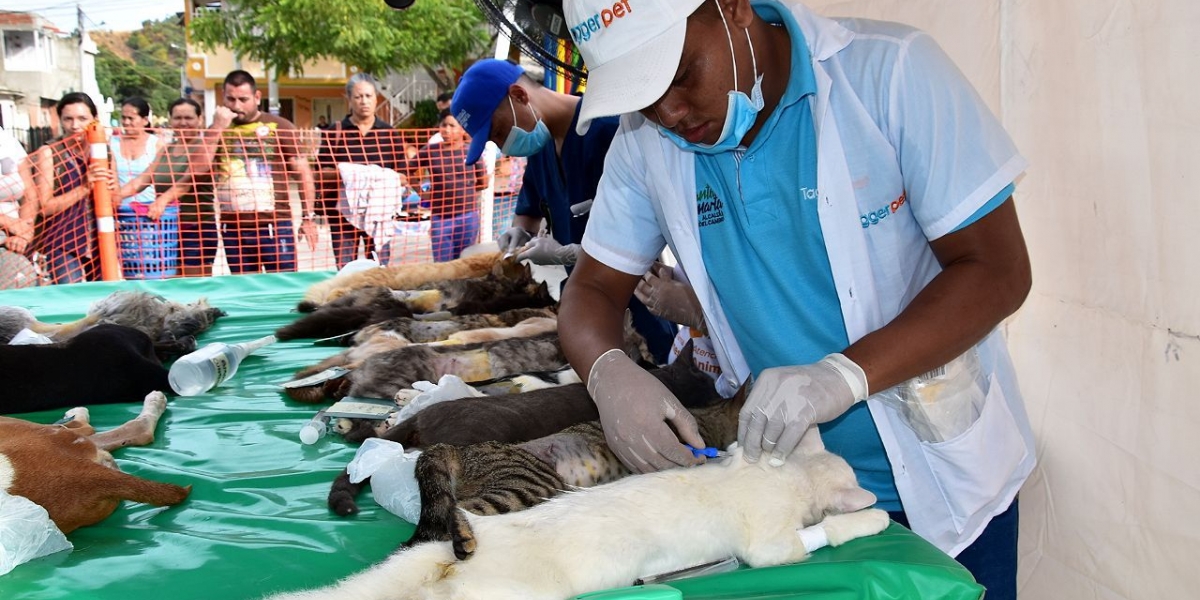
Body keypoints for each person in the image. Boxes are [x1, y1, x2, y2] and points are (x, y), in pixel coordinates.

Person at [556, 1, 1037, 598]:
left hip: (946, 489)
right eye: (642, 97)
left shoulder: (889, 74)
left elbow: (997, 271)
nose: (669, 112)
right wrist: (607, 373)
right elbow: (593, 289)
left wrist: (843, 375)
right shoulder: (643, 142)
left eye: (680, 75)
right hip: (787, 498)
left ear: (732, 7)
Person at [450, 58, 678, 363]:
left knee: (659, 374)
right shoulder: (541, 147)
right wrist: (519, 234)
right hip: (587, 307)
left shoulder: (612, 130)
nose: (504, 147)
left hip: (638, 302)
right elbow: (529, 211)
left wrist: (571, 253)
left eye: (500, 132)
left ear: (519, 95)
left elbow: (649, 237)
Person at [215, 70, 318, 274]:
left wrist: (308, 218)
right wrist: (217, 128)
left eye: (243, 99)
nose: (236, 106)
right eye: (230, 99)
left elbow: (303, 173)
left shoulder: (280, 126)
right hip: (233, 226)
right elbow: (199, 166)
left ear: (257, 97)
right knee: (244, 290)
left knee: (283, 287)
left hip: (274, 223)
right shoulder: (218, 129)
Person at [22, 92, 116, 283]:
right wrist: (84, 187)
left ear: (94, 119)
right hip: (63, 242)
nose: (75, 126)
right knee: (71, 302)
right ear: (60, 120)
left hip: (102, 242)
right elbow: (46, 207)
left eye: (82, 119)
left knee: (107, 303)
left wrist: (113, 189)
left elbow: (116, 200)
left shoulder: (103, 150)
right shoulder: (49, 152)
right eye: (68, 119)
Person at [315, 73, 405, 268]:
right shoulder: (334, 132)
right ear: (349, 99)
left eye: (368, 96)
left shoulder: (389, 133)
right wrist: (351, 175)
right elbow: (321, 171)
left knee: (379, 268)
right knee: (346, 270)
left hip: (379, 215)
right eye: (358, 96)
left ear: (376, 98)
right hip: (343, 217)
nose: (364, 101)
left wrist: (376, 179)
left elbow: (403, 176)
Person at [153, 98, 235, 276]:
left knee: (195, 288)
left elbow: (190, 179)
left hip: (197, 229)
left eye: (188, 118)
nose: (183, 122)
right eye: (177, 117)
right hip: (168, 229)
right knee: (171, 285)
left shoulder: (206, 146)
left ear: (200, 119)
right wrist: (116, 196)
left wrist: (163, 200)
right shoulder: (166, 149)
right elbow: (142, 179)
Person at [395, 109, 486, 262]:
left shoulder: (472, 151)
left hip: (467, 217)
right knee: (442, 265)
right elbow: (408, 170)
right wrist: (421, 191)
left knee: (464, 263)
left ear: (462, 129)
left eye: (452, 126)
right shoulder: (431, 151)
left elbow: (483, 182)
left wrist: (467, 194)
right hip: (440, 219)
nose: (447, 130)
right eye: (443, 125)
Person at [110, 97, 162, 212]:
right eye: (123, 118)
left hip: (147, 211)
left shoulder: (157, 144)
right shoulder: (111, 143)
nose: (126, 122)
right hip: (118, 210)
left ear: (145, 120)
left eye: (131, 118)